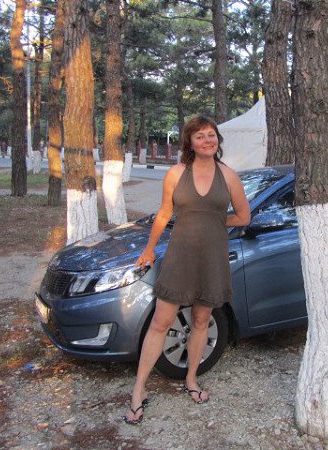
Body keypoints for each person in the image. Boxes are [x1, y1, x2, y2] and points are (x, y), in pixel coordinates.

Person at [123, 116, 250, 425]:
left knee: (201, 320)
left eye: (211, 135)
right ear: (190, 143)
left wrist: (213, 221)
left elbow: (243, 216)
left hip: (212, 258)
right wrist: (149, 249)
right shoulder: (176, 173)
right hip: (180, 256)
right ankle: (138, 389)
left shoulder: (229, 175)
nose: (208, 140)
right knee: (161, 322)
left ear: (218, 139)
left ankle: (191, 378)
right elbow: (164, 213)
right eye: (200, 136)